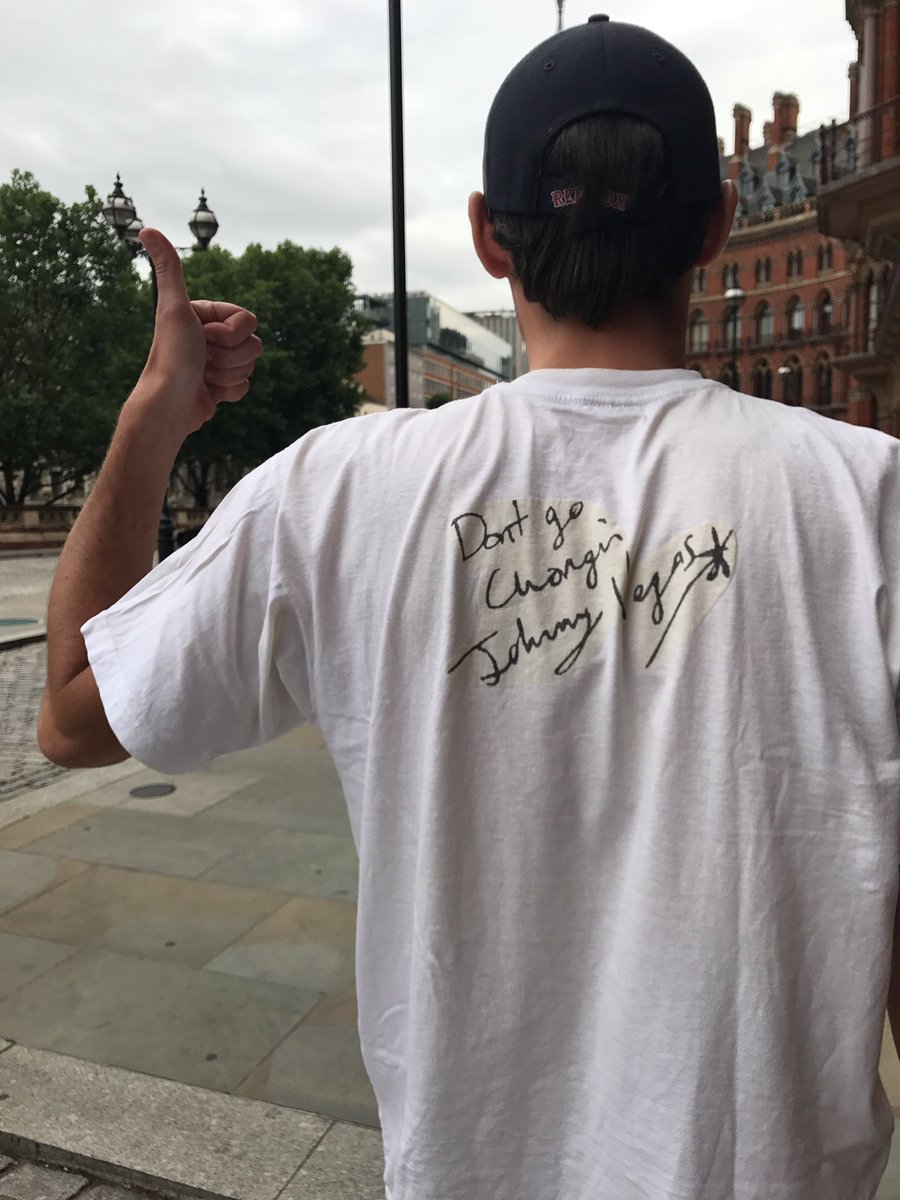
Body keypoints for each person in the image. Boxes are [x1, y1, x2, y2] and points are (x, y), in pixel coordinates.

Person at [38, 16, 900, 1200]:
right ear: (716, 223)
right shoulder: (870, 501)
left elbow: (73, 714)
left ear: (490, 236)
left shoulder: (336, 489)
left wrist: (153, 411)